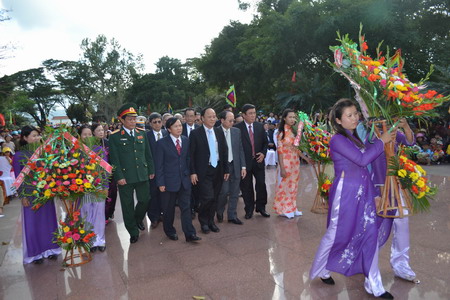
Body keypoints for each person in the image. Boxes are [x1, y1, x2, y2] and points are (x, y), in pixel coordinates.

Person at [309, 99, 395, 299]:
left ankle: (375, 285)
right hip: (346, 194)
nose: (355, 117)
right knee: (335, 235)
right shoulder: (337, 140)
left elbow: (366, 168)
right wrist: (382, 141)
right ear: (338, 120)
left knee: (370, 233)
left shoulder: (354, 137)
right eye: (350, 115)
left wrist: (374, 194)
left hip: (363, 191)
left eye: (356, 113)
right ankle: (322, 270)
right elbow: (363, 159)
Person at [13, 125, 61, 264]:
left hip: (46, 193)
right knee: (33, 224)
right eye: (33, 135)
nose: (36, 138)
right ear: (25, 138)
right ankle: (36, 253)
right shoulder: (19, 155)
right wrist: (23, 196)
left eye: (37, 135)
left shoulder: (44, 153)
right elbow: (18, 178)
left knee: (49, 222)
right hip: (30, 195)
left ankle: (52, 249)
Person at [109, 103, 155, 244]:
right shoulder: (115, 137)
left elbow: (148, 154)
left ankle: (137, 218)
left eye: (134, 119)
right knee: (127, 205)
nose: (133, 121)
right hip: (125, 177)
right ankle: (133, 231)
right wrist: (119, 177)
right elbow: (114, 159)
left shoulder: (142, 133)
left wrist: (151, 170)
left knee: (145, 200)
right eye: (129, 119)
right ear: (121, 120)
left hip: (142, 173)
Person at [155, 117, 201, 242]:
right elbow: (158, 165)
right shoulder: (161, 143)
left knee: (186, 207)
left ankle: (190, 234)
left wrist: (192, 173)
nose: (179, 128)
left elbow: (188, 159)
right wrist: (160, 183)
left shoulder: (186, 140)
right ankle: (169, 231)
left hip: (184, 180)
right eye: (175, 126)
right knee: (168, 209)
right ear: (169, 129)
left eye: (180, 125)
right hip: (168, 182)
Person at [189, 107, 229, 234]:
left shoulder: (219, 132)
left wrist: (226, 169)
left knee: (215, 198)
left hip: (218, 169)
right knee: (207, 197)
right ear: (202, 118)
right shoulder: (195, 133)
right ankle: (203, 222)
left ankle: (211, 222)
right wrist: (193, 172)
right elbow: (191, 155)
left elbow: (224, 152)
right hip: (203, 171)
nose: (213, 119)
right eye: (210, 116)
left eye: (214, 116)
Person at [273, 109, 313, 218]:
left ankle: (292, 207)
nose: (292, 119)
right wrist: (282, 168)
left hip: (295, 162)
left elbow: (296, 149)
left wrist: (306, 158)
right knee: (284, 186)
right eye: (290, 117)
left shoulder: (295, 132)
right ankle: (283, 209)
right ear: (284, 118)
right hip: (285, 162)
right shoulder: (281, 133)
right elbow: (280, 151)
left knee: (294, 185)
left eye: (294, 117)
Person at [235, 104, 269, 219]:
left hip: (258, 161)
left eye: (254, 113)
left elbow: (265, 143)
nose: (253, 115)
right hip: (244, 163)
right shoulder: (237, 128)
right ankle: (249, 209)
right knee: (246, 187)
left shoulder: (260, 126)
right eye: (250, 113)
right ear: (244, 115)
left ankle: (261, 207)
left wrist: (263, 153)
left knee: (261, 184)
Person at [77, 125, 107, 252]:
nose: (88, 137)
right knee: (86, 214)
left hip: (99, 186)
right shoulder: (76, 151)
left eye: (90, 134)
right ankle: (89, 240)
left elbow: (106, 170)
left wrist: (105, 186)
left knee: (99, 214)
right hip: (83, 188)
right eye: (85, 134)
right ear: (80, 136)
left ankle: (100, 239)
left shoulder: (99, 149)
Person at [216, 110, 246, 225]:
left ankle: (232, 215)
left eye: (233, 120)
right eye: (230, 120)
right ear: (222, 120)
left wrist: (243, 166)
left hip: (236, 165)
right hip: (223, 167)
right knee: (223, 191)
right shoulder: (216, 131)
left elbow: (240, 149)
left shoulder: (236, 131)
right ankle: (219, 211)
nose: (232, 123)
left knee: (234, 192)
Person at [146, 113, 168, 229]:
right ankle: (153, 217)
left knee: (163, 194)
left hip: (165, 170)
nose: (157, 124)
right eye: (155, 122)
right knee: (153, 194)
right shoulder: (146, 136)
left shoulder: (166, 133)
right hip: (153, 170)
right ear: (150, 124)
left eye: (159, 121)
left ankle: (162, 214)